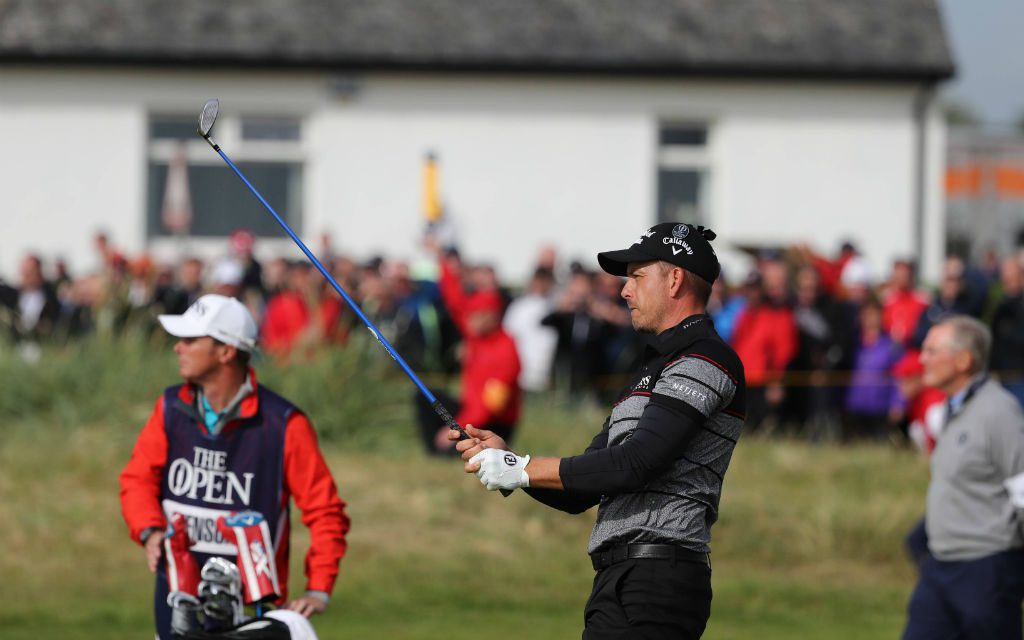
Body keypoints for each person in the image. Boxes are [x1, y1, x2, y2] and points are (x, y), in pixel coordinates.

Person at [454, 222, 745, 639]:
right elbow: (587, 485)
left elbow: (636, 462)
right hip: (620, 578)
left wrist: (521, 468)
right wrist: (508, 457)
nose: (625, 290)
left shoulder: (705, 360)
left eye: (637, 276)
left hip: (660, 576)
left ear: (675, 279)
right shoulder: (650, 370)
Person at [119, 294, 350, 640]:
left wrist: (318, 589)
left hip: (252, 605)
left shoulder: (284, 422)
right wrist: (149, 530)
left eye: (190, 340)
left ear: (226, 351)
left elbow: (325, 511)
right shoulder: (169, 407)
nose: (177, 348)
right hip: (176, 592)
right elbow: (137, 480)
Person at [902, 315, 1024, 640]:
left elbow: (1023, 492)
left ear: (963, 360)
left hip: (986, 571)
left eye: (931, 351)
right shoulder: (946, 410)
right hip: (940, 567)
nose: (921, 359)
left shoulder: (999, 412)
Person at [415, 242, 522, 455]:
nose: (469, 320)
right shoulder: (476, 335)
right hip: (468, 413)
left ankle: (444, 450)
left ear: (492, 317)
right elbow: (455, 299)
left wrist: (457, 427)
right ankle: (434, 453)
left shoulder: (507, 350)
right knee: (424, 396)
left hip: (491, 425)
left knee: (456, 450)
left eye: (477, 315)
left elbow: (492, 406)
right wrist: (443, 260)